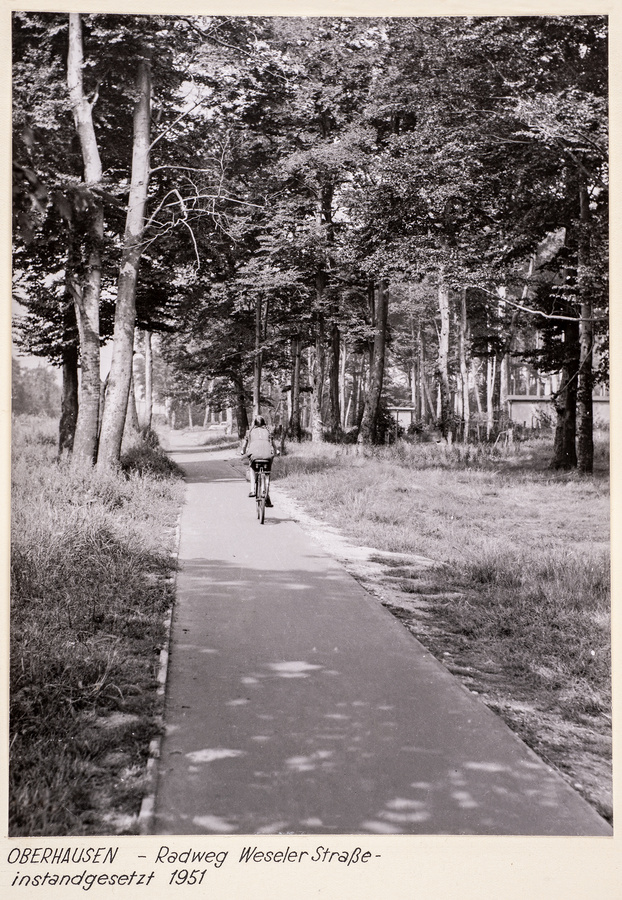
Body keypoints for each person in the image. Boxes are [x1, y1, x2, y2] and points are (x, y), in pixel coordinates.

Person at [240, 416, 277, 506]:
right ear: (264, 423)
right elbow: (273, 445)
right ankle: (267, 494)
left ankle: (252, 490)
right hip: (267, 456)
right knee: (267, 471)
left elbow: (244, 445)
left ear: (254, 423)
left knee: (252, 468)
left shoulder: (250, 431)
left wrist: (243, 451)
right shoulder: (268, 431)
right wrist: (276, 451)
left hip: (254, 455)